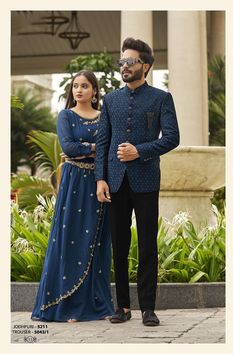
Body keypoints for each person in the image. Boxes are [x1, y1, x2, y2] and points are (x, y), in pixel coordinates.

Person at [95, 38, 180, 326]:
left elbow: (172, 138)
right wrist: (100, 179)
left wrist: (139, 151)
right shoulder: (110, 99)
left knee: (147, 245)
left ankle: (147, 308)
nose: (124, 66)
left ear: (145, 65)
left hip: (146, 180)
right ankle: (122, 307)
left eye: (130, 61)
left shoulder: (160, 98)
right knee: (118, 245)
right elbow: (103, 141)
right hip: (115, 182)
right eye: (122, 62)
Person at [31, 70, 114, 322]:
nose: (78, 90)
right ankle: (65, 306)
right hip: (73, 182)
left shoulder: (104, 117)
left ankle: (94, 305)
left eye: (84, 86)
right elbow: (68, 147)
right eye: (75, 86)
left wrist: (86, 150)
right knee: (70, 239)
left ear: (95, 91)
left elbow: (108, 148)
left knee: (97, 241)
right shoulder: (66, 116)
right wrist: (95, 148)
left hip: (99, 182)